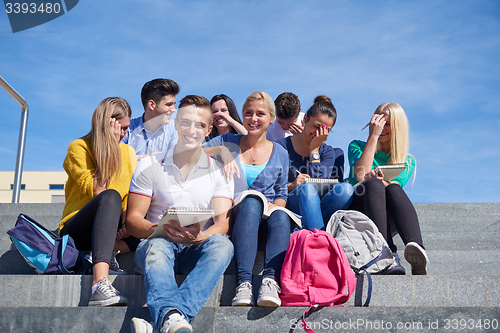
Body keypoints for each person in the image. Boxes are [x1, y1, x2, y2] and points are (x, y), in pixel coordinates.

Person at [126, 95, 234, 333]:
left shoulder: (219, 172)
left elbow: (221, 224)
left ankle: (167, 319)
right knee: (157, 246)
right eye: (185, 122)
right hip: (157, 244)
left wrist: (198, 238)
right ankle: (172, 318)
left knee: (223, 245)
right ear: (175, 123)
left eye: (200, 125)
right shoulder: (150, 165)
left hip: (195, 245)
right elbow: (133, 220)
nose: (191, 130)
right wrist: (161, 230)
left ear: (208, 131)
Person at [205, 91, 291, 308]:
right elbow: (189, 152)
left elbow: (281, 194)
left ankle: (270, 281)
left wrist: (276, 205)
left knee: (281, 214)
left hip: (265, 222)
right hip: (234, 216)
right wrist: (222, 151)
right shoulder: (227, 140)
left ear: (271, 119)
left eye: (260, 114)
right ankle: (244, 282)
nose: (253, 119)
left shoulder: (280, 152)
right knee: (251, 201)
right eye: (248, 113)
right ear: (242, 116)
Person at [59, 97, 137, 306]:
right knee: (110, 195)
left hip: (113, 226)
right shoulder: (79, 147)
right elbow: (97, 191)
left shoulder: (128, 152)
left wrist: (127, 223)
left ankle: (106, 248)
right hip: (78, 229)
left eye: (127, 128)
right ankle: (99, 284)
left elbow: (130, 194)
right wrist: (109, 147)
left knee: (148, 216)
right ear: (106, 125)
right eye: (120, 128)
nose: (123, 134)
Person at [348, 102, 428, 275]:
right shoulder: (356, 146)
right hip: (359, 208)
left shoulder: (407, 160)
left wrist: (380, 181)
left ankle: (416, 249)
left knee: (392, 188)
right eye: (379, 121)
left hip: (387, 213)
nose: (382, 127)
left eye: (388, 124)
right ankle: (389, 252)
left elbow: (394, 188)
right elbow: (360, 176)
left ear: (397, 127)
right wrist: (373, 137)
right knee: (374, 183)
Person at [276, 101, 354, 231]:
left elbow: (320, 183)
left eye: (326, 130)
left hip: (320, 202)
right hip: (293, 201)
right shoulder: (280, 147)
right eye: (316, 126)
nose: (319, 133)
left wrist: (314, 151)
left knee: (346, 190)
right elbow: (272, 186)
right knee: (307, 190)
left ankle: (312, 230)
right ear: (305, 118)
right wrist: (292, 185)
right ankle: (320, 242)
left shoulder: (327, 151)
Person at [122, 78, 179, 160]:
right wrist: (143, 158)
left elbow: (177, 159)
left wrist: (133, 159)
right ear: (152, 105)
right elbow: (114, 159)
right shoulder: (127, 129)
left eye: (174, 104)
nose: (173, 110)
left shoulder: (175, 129)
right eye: (169, 104)